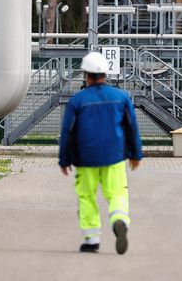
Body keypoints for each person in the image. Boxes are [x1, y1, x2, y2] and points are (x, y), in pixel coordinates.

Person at [58, 51, 143, 254]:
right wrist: (136, 154)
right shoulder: (121, 97)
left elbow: (67, 131)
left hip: (85, 158)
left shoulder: (77, 101)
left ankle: (91, 239)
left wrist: (64, 159)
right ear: (105, 74)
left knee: (86, 196)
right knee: (117, 194)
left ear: (85, 75)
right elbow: (132, 127)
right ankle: (119, 220)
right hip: (114, 157)